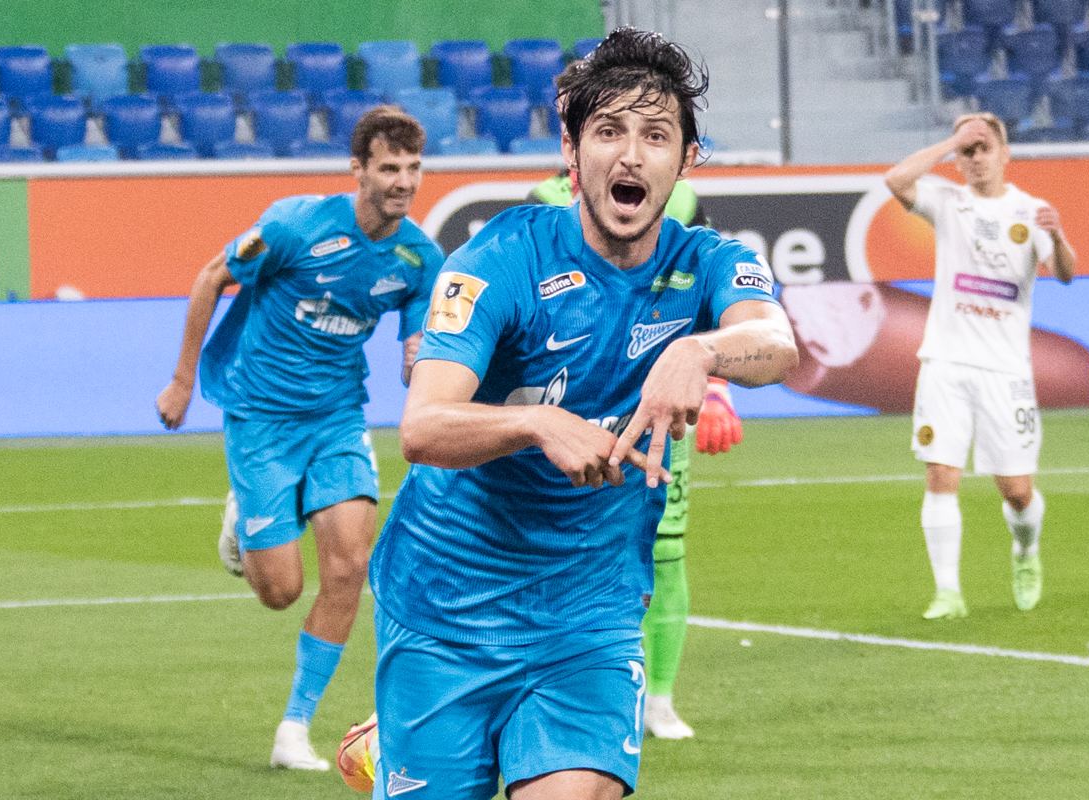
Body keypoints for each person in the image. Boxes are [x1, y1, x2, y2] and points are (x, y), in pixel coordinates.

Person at [367, 27, 797, 800]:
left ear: (686, 159)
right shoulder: (498, 259)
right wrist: (537, 424)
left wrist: (700, 351)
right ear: (572, 150)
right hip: (446, 607)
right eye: (608, 131)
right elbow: (422, 429)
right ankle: (398, 735)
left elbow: (776, 342)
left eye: (656, 135)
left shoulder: (709, 262)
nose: (631, 155)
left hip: (590, 616)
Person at [154, 106, 444, 770]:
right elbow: (212, 276)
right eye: (389, 168)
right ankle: (242, 517)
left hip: (338, 419)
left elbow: (418, 340)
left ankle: (295, 728)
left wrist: (420, 357)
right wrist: (181, 381)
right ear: (358, 169)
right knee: (280, 591)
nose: (403, 181)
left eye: (413, 168)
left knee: (349, 566)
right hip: (261, 417)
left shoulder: (418, 258)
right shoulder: (294, 226)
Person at [526, 167, 740, 740]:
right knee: (558, 550)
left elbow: (712, 303)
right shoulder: (542, 203)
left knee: (664, 555)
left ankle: (659, 700)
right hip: (577, 413)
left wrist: (717, 388)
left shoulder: (683, 199)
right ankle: (558, 689)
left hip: (658, 414)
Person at [883, 112, 1077, 620]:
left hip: (1005, 370)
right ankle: (948, 593)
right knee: (940, 474)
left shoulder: (1030, 211)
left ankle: (1026, 550)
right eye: (966, 151)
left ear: (1005, 154)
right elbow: (896, 180)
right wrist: (948, 142)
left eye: (983, 147)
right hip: (945, 363)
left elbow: (1065, 273)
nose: (974, 158)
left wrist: (1058, 238)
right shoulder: (949, 203)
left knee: (1017, 491)